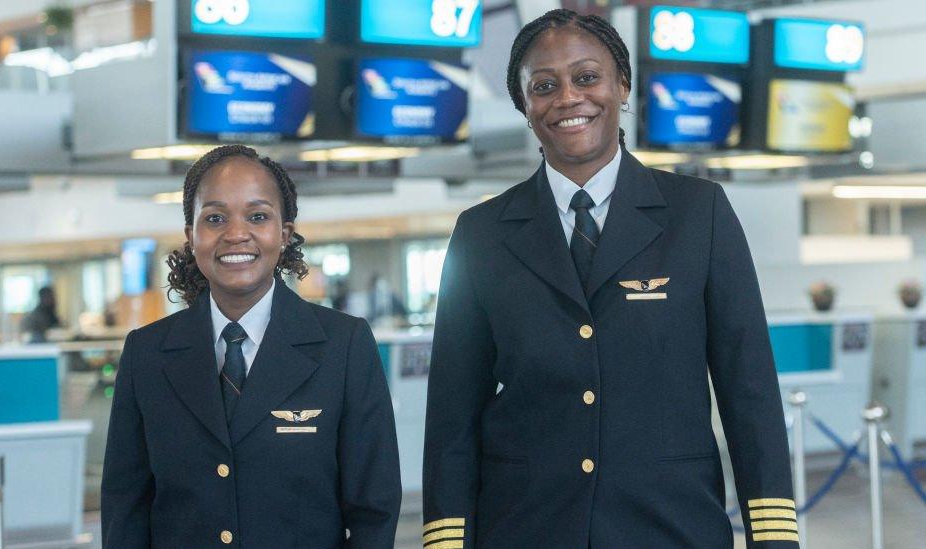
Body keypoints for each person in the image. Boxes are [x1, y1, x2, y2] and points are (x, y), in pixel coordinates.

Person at [422, 9, 798, 548]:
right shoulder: (481, 234)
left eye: (587, 77)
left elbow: (749, 388)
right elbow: (452, 412)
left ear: (622, 86)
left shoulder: (699, 214)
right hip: (525, 527)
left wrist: (773, 534)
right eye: (544, 86)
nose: (569, 97)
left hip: (671, 524)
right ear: (524, 106)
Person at [101, 145, 401, 548]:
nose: (236, 233)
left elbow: (374, 509)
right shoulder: (147, 354)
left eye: (258, 216)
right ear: (191, 237)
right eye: (215, 218)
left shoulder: (343, 346)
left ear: (284, 233)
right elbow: (125, 508)